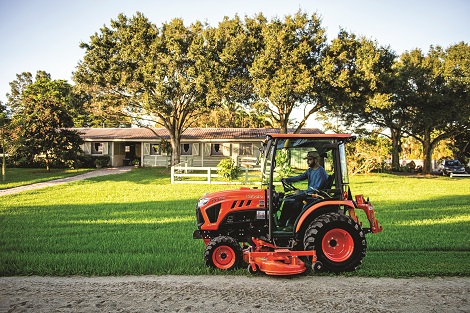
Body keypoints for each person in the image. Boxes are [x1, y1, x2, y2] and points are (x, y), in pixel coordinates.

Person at [278, 151, 328, 229]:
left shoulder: (320, 172)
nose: (307, 161)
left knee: (294, 201)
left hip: (315, 197)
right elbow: (300, 177)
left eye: (310, 159)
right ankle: (282, 223)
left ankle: (291, 224)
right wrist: (286, 180)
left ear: (315, 160)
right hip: (310, 194)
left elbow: (316, 189)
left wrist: (300, 192)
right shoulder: (310, 170)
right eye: (307, 160)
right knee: (288, 199)